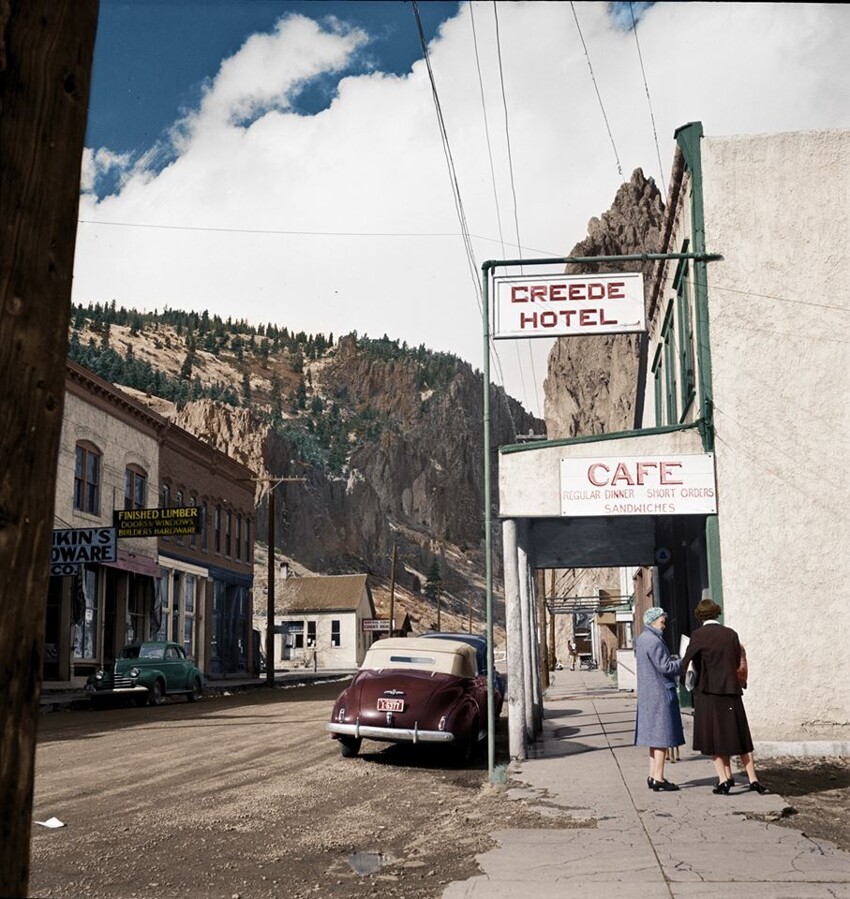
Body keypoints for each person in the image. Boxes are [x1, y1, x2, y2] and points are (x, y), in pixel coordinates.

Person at [681, 597, 767, 795]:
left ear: (700, 616)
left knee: (715, 739)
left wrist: (685, 681)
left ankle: (723, 780)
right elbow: (739, 660)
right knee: (739, 735)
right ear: (717, 612)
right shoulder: (731, 634)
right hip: (731, 692)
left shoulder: (699, 635)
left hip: (709, 693)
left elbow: (686, 661)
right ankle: (753, 779)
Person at [634, 607, 684, 791]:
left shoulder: (642, 639)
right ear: (653, 621)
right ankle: (659, 778)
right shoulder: (654, 641)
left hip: (649, 694)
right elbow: (665, 667)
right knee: (662, 737)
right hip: (660, 693)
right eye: (662, 622)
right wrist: (683, 662)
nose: (664, 626)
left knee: (654, 738)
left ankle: (652, 774)